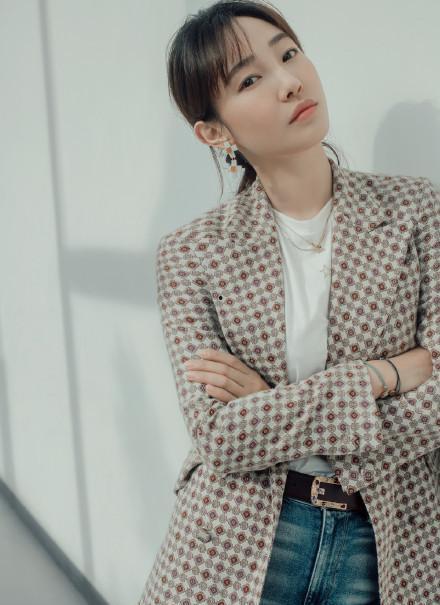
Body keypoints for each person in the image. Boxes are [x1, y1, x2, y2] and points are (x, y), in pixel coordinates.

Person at [137, 1, 439, 604]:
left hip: (386, 539)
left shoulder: (417, 213)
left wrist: (269, 405)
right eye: (251, 79)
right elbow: (221, 436)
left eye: (289, 54)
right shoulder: (191, 254)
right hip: (234, 540)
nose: (290, 82)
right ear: (215, 132)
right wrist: (380, 376)